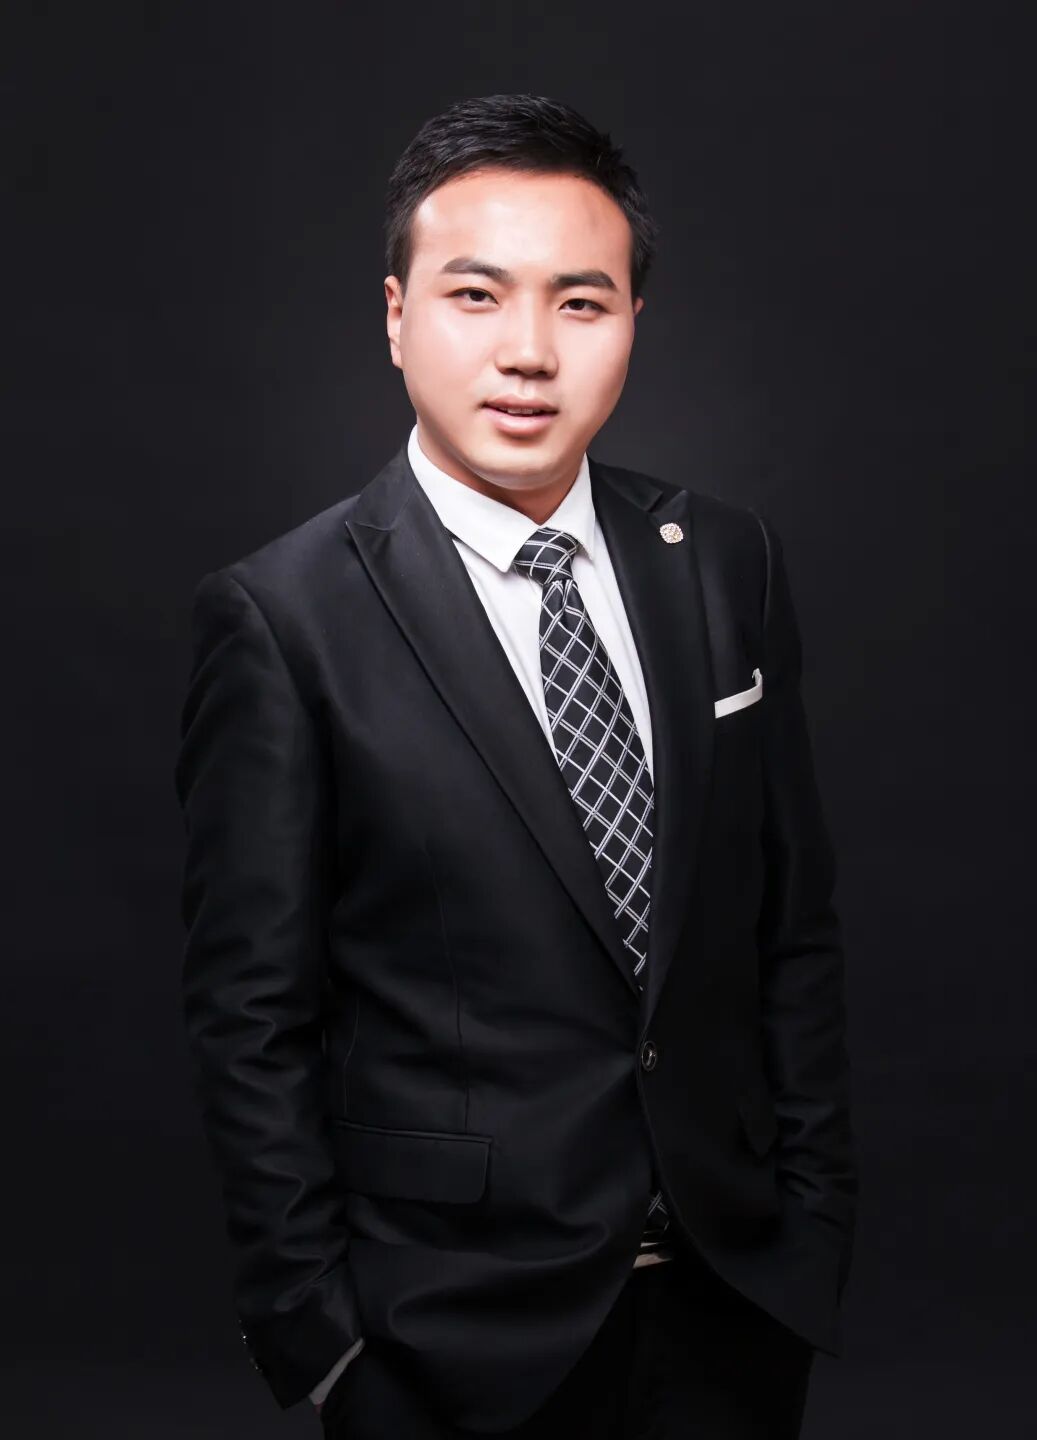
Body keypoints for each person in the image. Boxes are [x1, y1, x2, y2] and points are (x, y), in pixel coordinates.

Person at [175, 92, 857, 1439]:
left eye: (580, 302)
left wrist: (813, 1226)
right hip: (444, 1334)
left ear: (634, 321)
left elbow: (792, 926)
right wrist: (324, 1344)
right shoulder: (282, 619)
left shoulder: (727, 561)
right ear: (396, 317)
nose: (528, 352)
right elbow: (249, 1018)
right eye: (476, 295)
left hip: (732, 1304)